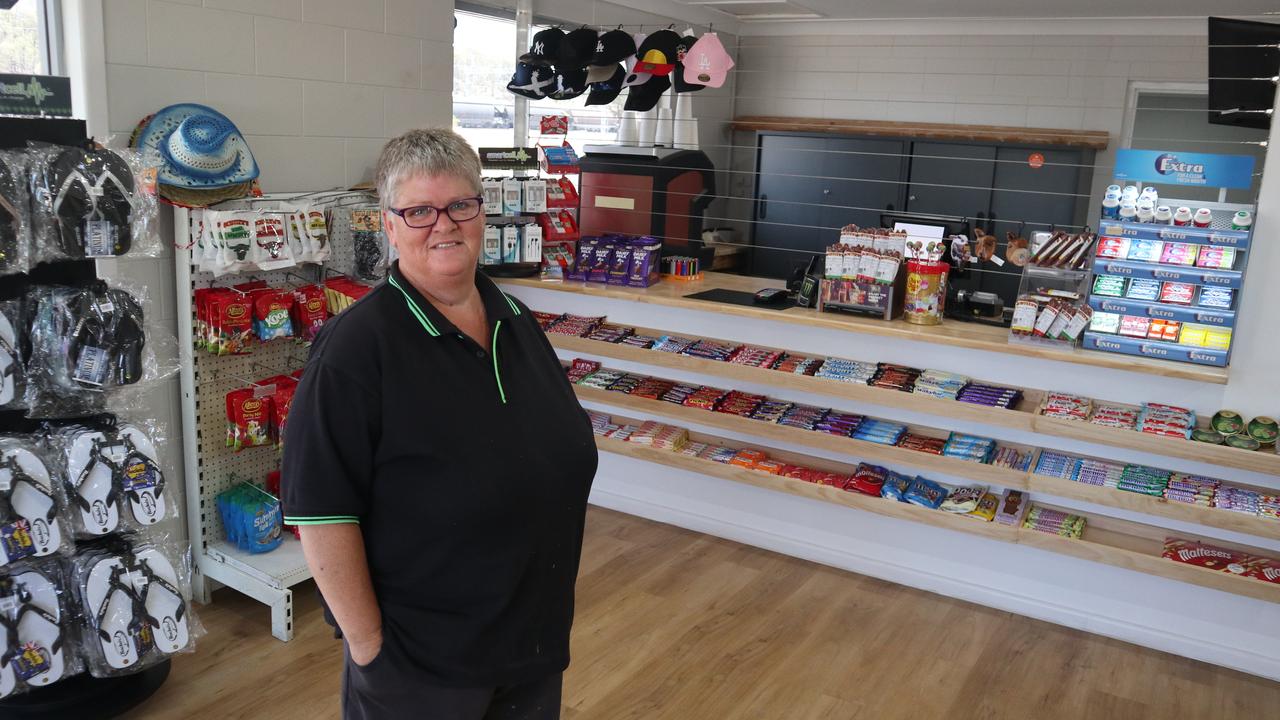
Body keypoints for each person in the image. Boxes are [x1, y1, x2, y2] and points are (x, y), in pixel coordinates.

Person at [282, 128, 598, 720]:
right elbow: (322, 514)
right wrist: (370, 649)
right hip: (423, 668)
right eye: (420, 210)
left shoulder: (514, 318)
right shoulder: (354, 351)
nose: (444, 224)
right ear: (389, 224)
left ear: (483, 212)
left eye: (460, 205)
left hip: (531, 645)